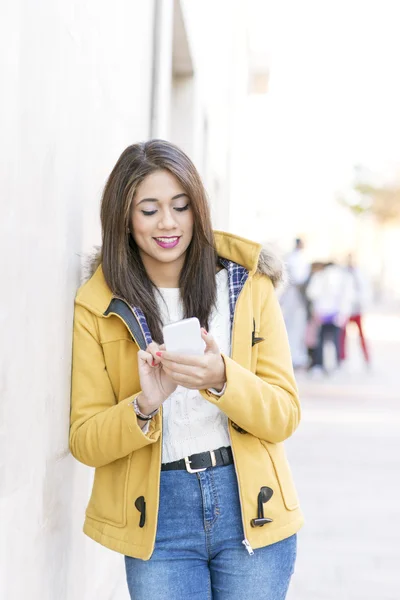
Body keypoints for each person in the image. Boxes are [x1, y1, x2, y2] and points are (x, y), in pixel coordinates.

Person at [70, 140, 303, 600]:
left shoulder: (248, 284)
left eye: (180, 206)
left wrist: (222, 378)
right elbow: (84, 440)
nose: (168, 223)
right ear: (124, 217)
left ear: (198, 208)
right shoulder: (97, 306)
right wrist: (145, 404)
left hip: (251, 505)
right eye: (149, 209)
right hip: (159, 516)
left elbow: (285, 415)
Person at [306, 261, 354, 373]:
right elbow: (348, 297)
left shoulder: (320, 276)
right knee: (336, 341)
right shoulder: (344, 277)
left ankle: (319, 365)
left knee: (321, 340)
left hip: (323, 313)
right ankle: (336, 365)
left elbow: (312, 293)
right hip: (334, 314)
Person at [280, 238, 310, 369]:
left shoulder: (300, 258)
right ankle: (292, 357)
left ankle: (296, 356)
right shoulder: (293, 258)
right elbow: (297, 278)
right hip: (293, 298)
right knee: (291, 328)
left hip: (298, 299)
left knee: (298, 328)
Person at [340, 254, 371, 366]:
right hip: (346, 310)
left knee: (361, 335)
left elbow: (365, 290)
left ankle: (367, 358)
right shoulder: (342, 273)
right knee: (342, 337)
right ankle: (342, 359)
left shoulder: (360, 273)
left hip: (357, 309)